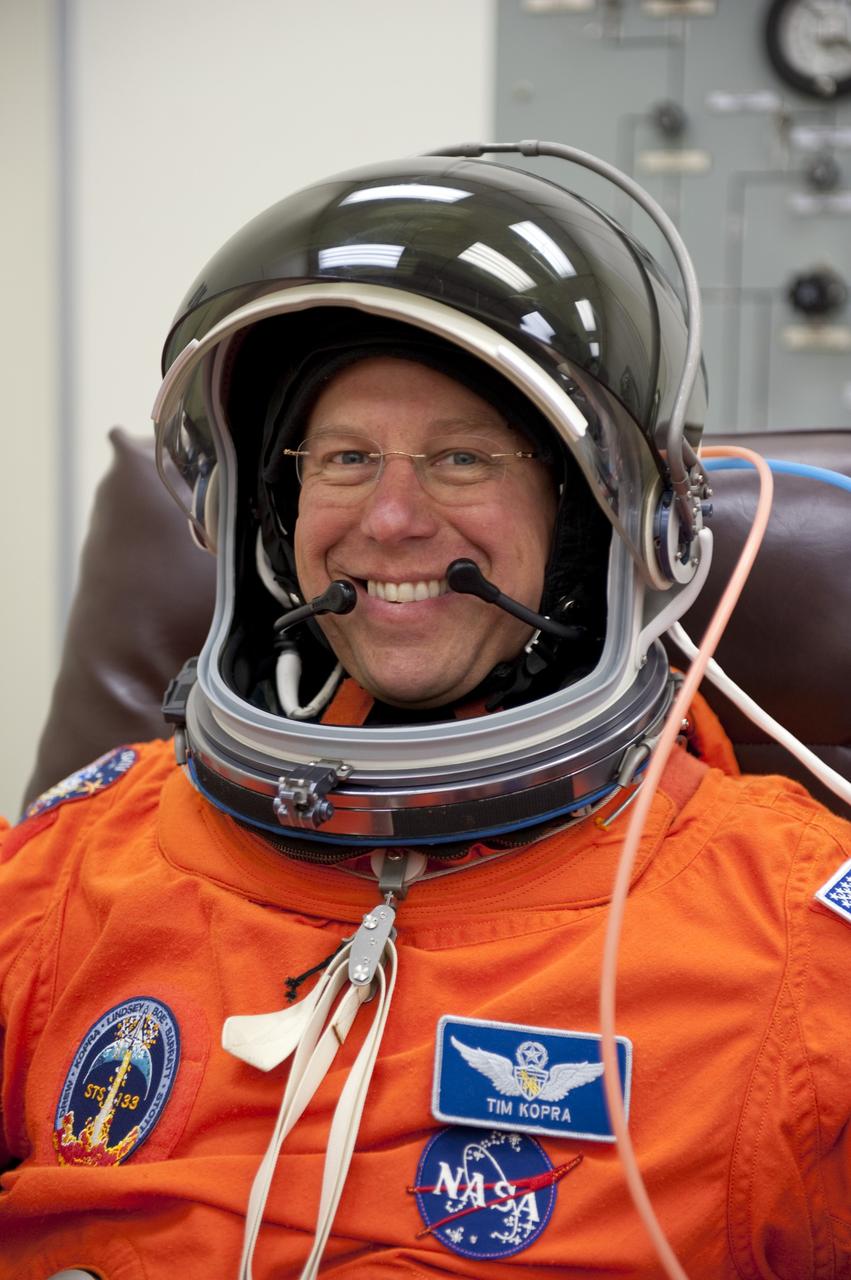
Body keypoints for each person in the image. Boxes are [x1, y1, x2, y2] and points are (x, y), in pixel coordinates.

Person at [1, 144, 850, 1280]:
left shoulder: (789, 936)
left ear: (593, 520)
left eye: (461, 458)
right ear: (274, 517)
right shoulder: (72, 869)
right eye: (346, 458)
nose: (391, 518)